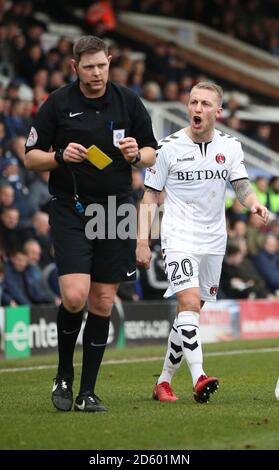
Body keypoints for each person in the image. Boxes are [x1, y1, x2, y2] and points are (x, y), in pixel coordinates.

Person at [25, 35, 157, 412]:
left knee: (101, 301)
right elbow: (31, 157)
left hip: (116, 208)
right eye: (89, 67)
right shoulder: (58, 103)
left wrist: (137, 153)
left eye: (102, 65)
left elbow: (151, 152)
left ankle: (87, 392)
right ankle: (63, 373)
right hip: (71, 208)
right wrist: (59, 156)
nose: (97, 73)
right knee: (75, 296)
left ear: (110, 61)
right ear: (74, 68)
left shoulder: (128, 101)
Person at [136, 81, 269, 403]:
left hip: (214, 240)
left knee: (190, 314)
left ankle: (163, 382)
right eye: (193, 102)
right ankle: (199, 377)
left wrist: (253, 204)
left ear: (218, 111)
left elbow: (241, 187)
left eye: (205, 104)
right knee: (190, 303)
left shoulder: (232, 147)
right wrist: (142, 241)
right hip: (178, 235)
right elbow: (151, 196)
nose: (197, 108)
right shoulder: (166, 147)